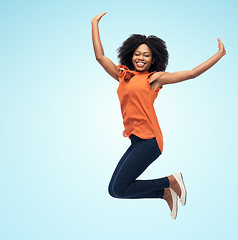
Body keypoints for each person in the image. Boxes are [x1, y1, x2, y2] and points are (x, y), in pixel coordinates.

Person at [91, 11, 226, 220]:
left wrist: (218, 55)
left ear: (153, 59)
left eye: (146, 55)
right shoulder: (123, 76)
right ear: (131, 55)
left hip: (150, 141)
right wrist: (94, 24)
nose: (141, 58)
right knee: (115, 190)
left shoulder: (154, 79)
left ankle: (171, 180)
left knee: (119, 187)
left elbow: (190, 73)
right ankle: (163, 192)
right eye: (137, 54)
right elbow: (100, 57)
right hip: (136, 141)